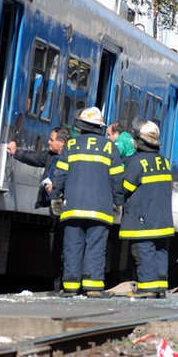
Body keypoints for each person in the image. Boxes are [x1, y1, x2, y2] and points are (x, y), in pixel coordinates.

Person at [50, 107, 123, 297]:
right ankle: (93, 288)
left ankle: (71, 288)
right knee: (96, 248)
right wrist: (118, 201)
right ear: (100, 126)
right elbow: (117, 179)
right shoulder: (110, 147)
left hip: (72, 207)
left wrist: (56, 196)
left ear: (81, 125)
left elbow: (60, 174)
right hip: (100, 209)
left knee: (72, 247)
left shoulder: (71, 145)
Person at [7, 127, 70, 291]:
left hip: (67, 207)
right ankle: (58, 286)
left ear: (61, 143)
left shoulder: (72, 157)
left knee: (66, 246)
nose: (48, 142)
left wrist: (58, 188)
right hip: (54, 208)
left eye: (51, 139)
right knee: (54, 245)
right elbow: (34, 157)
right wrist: (16, 152)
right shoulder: (50, 156)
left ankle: (67, 286)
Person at [117, 121, 174, 298]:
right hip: (163, 219)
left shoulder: (137, 162)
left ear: (139, 142)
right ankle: (159, 288)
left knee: (144, 251)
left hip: (143, 219)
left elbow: (124, 188)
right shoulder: (164, 162)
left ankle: (147, 288)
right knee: (160, 252)